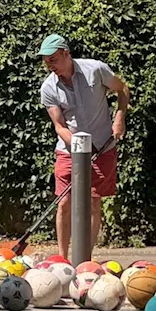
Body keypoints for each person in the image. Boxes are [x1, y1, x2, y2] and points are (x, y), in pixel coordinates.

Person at [38, 35, 129, 262]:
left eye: (53, 60)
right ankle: (62, 259)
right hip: (69, 150)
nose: (50, 66)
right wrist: (79, 149)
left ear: (66, 53)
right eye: (46, 62)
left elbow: (122, 88)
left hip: (102, 145)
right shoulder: (48, 87)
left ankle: (85, 260)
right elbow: (59, 126)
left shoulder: (96, 70)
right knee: (64, 203)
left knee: (93, 201)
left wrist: (120, 118)